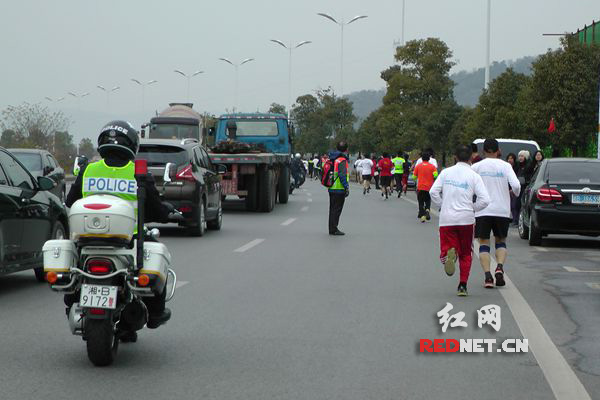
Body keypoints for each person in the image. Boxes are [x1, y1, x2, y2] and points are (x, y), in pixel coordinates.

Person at [65, 120, 173, 338]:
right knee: (156, 260)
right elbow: (155, 208)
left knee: (73, 272)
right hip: (129, 241)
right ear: (132, 144)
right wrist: (166, 211)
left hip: (87, 240)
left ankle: (72, 302)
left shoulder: (88, 170)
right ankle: (155, 313)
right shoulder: (138, 172)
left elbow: (70, 201)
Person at [430, 144, 490, 297]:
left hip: (447, 219)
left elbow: (433, 192)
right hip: (466, 219)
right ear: (471, 157)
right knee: (466, 253)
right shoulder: (474, 176)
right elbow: (485, 200)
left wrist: (443, 205)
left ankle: (450, 253)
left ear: (455, 157)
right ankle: (462, 285)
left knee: (446, 249)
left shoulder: (446, 173)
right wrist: (472, 208)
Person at [472, 139, 521, 288]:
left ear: (484, 151)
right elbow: (516, 185)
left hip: (482, 210)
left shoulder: (476, 167)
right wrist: (513, 194)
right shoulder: (506, 166)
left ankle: (488, 276)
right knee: (500, 241)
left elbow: (469, 185)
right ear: (498, 150)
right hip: (502, 210)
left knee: (484, 243)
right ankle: (499, 267)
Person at [328, 141, 350, 236]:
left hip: (331, 187)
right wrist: (346, 187)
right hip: (339, 188)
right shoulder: (342, 160)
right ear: (346, 150)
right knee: (337, 210)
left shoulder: (333, 158)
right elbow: (342, 175)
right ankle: (334, 229)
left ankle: (331, 228)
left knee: (332, 209)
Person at [412, 152, 438, 222]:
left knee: (420, 202)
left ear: (422, 158)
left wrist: (418, 177)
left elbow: (413, 177)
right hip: (429, 187)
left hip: (420, 187)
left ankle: (422, 214)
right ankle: (427, 210)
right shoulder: (432, 167)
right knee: (428, 201)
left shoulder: (418, 166)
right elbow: (435, 176)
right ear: (429, 159)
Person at [506, 153, 520, 225]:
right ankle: (510, 219)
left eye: (511, 158)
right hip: (507, 189)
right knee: (509, 205)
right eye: (509, 158)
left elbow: (516, 180)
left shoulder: (517, 168)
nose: (510, 160)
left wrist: (513, 189)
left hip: (514, 189)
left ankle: (515, 220)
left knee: (514, 205)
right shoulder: (505, 167)